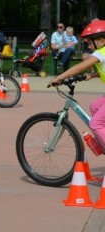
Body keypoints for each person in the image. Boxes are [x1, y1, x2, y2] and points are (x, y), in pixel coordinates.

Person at [49, 19, 105, 149]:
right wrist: (92, 75)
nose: (89, 47)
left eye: (90, 43)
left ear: (100, 40)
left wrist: (59, 77)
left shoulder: (100, 53)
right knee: (94, 107)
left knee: (95, 124)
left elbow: (79, 67)